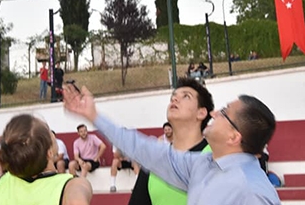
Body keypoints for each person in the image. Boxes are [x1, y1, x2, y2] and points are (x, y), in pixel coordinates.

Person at [63, 84, 281, 205]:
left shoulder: (252, 192)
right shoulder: (202, 165)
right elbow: (145, 150)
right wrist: (93, 115)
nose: (215, 113)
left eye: (223, 113)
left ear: (234, 137)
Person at [129, 78, 214, 205]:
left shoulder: (218, 157)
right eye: (173, 97)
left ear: (201, 113)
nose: (174, 99)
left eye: (186, 96)